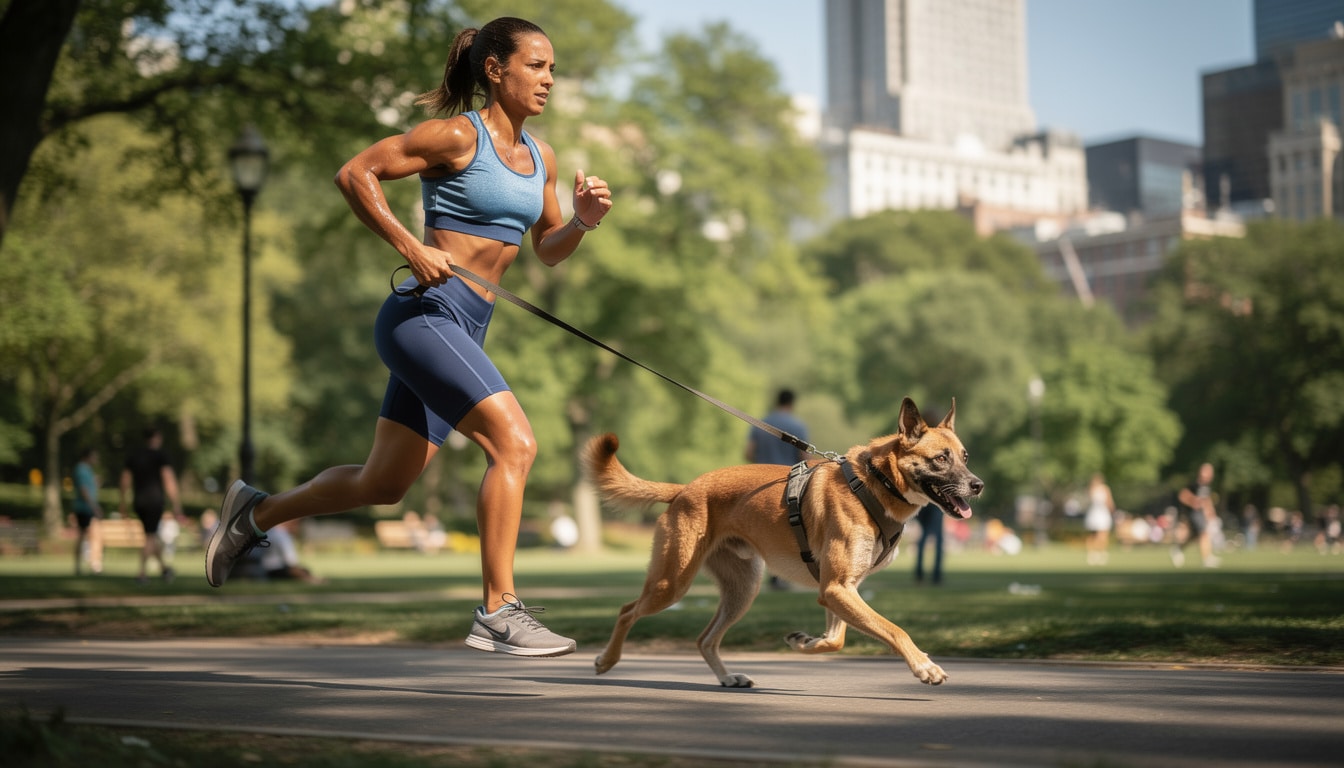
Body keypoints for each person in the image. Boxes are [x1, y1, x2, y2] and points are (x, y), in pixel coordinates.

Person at [204, 17, 611, 659]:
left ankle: (254, 513)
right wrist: (410, 245)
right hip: (424, 316)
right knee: (515, 444)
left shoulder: (543, 158)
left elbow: (548, 248)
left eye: (552, 69)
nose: (548, 80)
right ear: (495, 70)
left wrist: (582, 222)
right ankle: (498, 611)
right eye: (536, 66)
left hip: (466, 328)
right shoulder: (455, 136)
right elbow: (355, 173)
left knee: (382, 484)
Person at [745, 389, 809, 590]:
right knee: (788, 530)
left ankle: (760, 573)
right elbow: (804, 458)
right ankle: (781, 575)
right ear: (792, 403)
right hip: (788, 483)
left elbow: (748, 453)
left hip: (760, 482)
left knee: (762, 529)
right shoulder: (797, 426)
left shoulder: (762, 423)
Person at [120, 428, 186, 583]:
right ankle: (142, 573)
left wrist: (122, 502)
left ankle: (164, 569)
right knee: (150, 536)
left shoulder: (134, 456)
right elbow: (168, 479)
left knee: (151, 535)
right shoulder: (161, 456)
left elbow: (125, 480)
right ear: (157, 437)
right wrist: (176, 503)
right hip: (154, 501)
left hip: (139, 501)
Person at [1172, 462, 1219, 568]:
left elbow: (1206, 500)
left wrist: (1210, 511)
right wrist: (1193, 501)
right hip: (1193, 514)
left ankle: (1178, 549)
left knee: (1194, 536)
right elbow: (1182, 496)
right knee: (1204, 533)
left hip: (1201, 514)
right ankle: (1207, 558)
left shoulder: (1206, 487)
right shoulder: (1194, 485)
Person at [258, 520, 327, 584]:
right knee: (303, 570)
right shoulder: (283, 536)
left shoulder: (272, 532)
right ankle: (310, 579)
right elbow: (292, 564)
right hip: (275, 570)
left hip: (264, 568)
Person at [71, 447, 104, 575]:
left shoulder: (87, 470)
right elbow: (84, 491)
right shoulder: (81, 469)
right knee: (86, 535)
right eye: (94, 456)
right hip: (84, 508)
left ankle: (91, 563)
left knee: (90, 535)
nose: (96, 459)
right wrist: (94, 507)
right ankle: (87, 564)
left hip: (88, 508)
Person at [1083, 473, 1115, 565]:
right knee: (1094, 535)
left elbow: (1109, 502)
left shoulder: (1103, 489)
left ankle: (1100, 552)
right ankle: (1094, 553)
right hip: (1095, 514)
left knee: (1102, 535)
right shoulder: (1092, 489)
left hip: (1101, 514)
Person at [912, 504, 944, 585]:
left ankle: (919, 574)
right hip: (935, 505)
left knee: (923, 539)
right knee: (938, 540)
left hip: (925, 505)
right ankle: (936, 575)